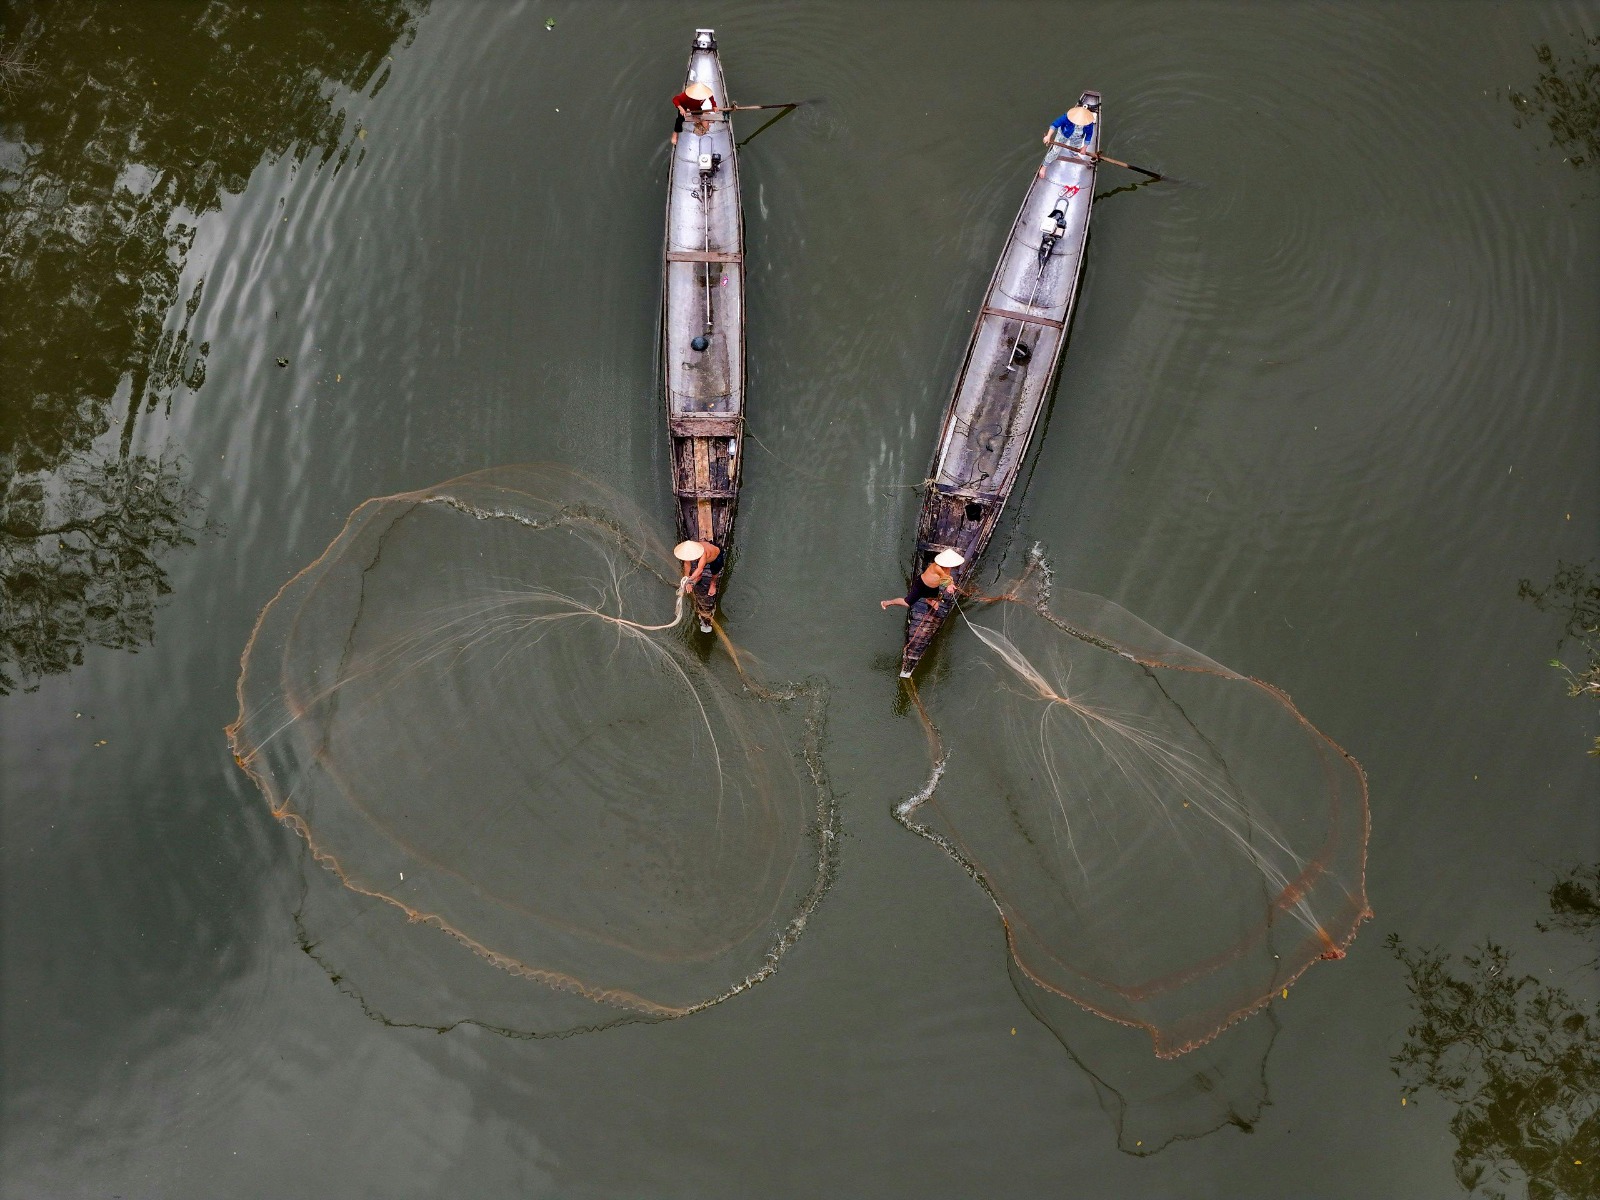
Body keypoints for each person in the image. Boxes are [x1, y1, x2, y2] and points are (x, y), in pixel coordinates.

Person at [880, 549, 965, 611]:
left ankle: (929, 600)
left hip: (933, 587)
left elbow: (948, 577)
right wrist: (949, 585)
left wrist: (951, 583)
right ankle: (887, 603)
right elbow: (944, 577)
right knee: (907, 603)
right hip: (921, 585)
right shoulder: (937, 567)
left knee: (932, 597)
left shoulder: (948, 568)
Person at [1039, 104, 1096, 176]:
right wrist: (1048, 136)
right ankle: (1044, 166)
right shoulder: (1067, 116)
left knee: (1075, 149)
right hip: (1063, 134)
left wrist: (1084, 148)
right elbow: (1055, 125)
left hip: (1077, 138)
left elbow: (1089, 135)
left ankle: (1074, 154)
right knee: (1055, 151)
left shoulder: (1088, 123)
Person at [671, 81, 718, 146]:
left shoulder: (705, 94)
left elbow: (711, 97)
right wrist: (680, 108)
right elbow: (675, 99)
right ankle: (675, 133)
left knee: (699, 115)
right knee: (680, 119)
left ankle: (697, 118)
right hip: (684, 105)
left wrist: (714, 105)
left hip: (696, 106)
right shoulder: (685, 96)